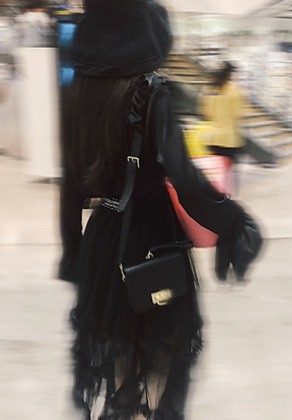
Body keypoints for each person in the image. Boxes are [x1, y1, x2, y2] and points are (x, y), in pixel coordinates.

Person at [58, 1, 262, 419]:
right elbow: (185, 180)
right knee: (159, 356)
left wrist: (74, 253)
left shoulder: (76, 93)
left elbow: (71, 184)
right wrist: (234, 221)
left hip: (103, 241)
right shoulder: (153, 93)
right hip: (152, 239)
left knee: (118, 354)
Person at [200, 61, 246, 196]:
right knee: (230, 170)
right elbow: (238, 114)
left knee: (215, 170)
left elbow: (205, 113)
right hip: (230, 139)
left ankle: (215, 195)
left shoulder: (209, 90)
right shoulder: (235, 91)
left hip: (212, 137)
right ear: (231, 75)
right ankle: (229, 196)